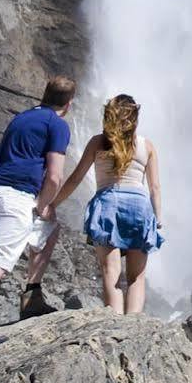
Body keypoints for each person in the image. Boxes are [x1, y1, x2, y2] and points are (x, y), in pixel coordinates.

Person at [0, 74, 76, 357]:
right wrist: (43, 203)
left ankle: (32, 295)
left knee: (48, 230)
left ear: (44, 94)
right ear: (68, 104)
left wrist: (42, 209)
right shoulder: (57, 124)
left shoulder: (23, 117)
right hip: (15, 194)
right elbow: (55, 176)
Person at [44, 93, 162, 314]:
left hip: (108, 204)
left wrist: (53, 203)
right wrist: (159, 218)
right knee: (137, 276)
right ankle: (134, 325)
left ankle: (114, 323)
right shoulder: (147, 146)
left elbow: (76, 178)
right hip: (139, 207)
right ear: (135, 116)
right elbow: (155, 187)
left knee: (111, 272)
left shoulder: (98, 141)